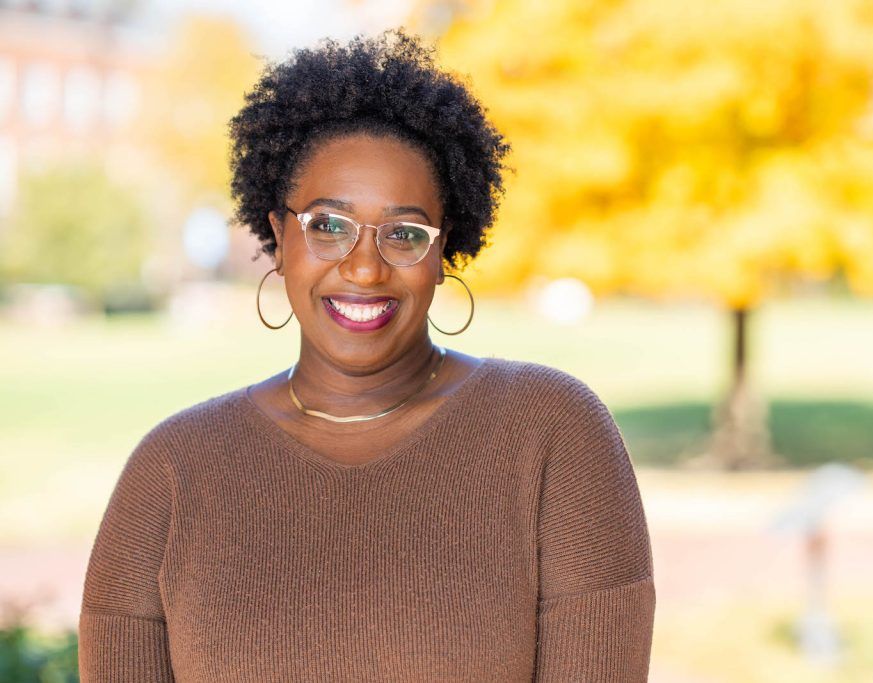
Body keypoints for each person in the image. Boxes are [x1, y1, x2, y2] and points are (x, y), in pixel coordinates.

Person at [77, 30, 655, 681]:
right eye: (328, 224)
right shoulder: (172, 472)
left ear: (444, 253)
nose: (363, 266)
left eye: (404, 234)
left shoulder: (552, 433)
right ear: (277, 235)